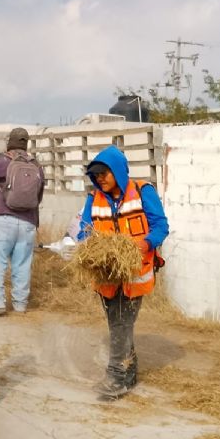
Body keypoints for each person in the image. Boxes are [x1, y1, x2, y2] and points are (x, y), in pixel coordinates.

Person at [79, 145, 169, 400]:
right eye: (95, 175)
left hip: (134, 273)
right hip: (106, 276)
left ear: (117, 172)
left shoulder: (142, 191)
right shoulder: (92, 199)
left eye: (104, 174)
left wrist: (146, 243)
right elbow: (84, 229)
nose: (99, 179)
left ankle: (116, 377)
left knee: (121, 323)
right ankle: (129, 374)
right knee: (117, 325)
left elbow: (161, 225)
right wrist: (83, 246)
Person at [0, 128, 45, 316]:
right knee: (22, 264)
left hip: (2, 218)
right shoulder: (37, 166)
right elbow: (39, 195)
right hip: (28, 222)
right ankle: (20, 306)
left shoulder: (0, 161)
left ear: (10, 142)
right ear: (26, 143)